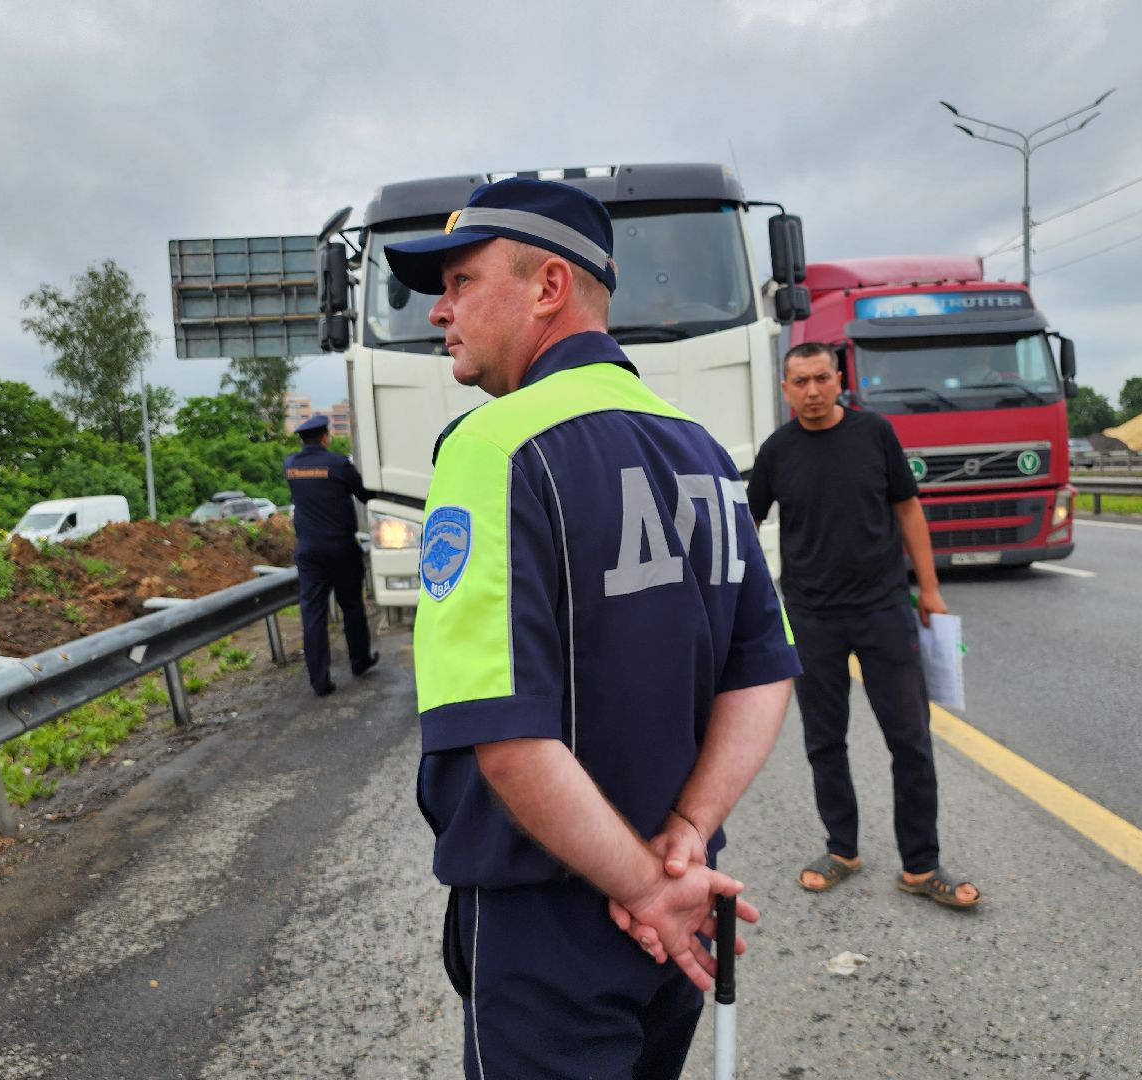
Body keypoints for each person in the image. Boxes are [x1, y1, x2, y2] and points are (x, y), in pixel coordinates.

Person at [384, 176, 800, 1079]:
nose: (437, 313)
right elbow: (761, 671)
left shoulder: (492, 448)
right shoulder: (701, 448)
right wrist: (685, 837)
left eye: (459, 283)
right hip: (679, 906)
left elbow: (503, 733)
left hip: (557, 918)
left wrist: (645, 888)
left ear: (548, 288)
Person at [746, 342, 981, 908]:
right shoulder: (777, 451)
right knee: (825, 741)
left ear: (838, 380)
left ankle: (921, 866)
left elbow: (907, 509)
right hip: (810, 615)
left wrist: (929, 588)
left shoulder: (875, 434)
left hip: (883, 609)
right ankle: (842, 849)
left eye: (821, 378)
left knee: (911, 740)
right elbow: (747, 523)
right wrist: (749, 603)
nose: (811, 391)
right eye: (799, 382)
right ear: (785, 390)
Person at [283, 415, 378, 697]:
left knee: (313, 613)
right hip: (340, 548)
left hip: (308, 552)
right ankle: (359, 661)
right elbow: (364, 494)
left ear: (303, 439)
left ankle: (319, 680)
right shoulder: (338, 464)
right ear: (325, 436)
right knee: (351, 606)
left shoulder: (290, 466)